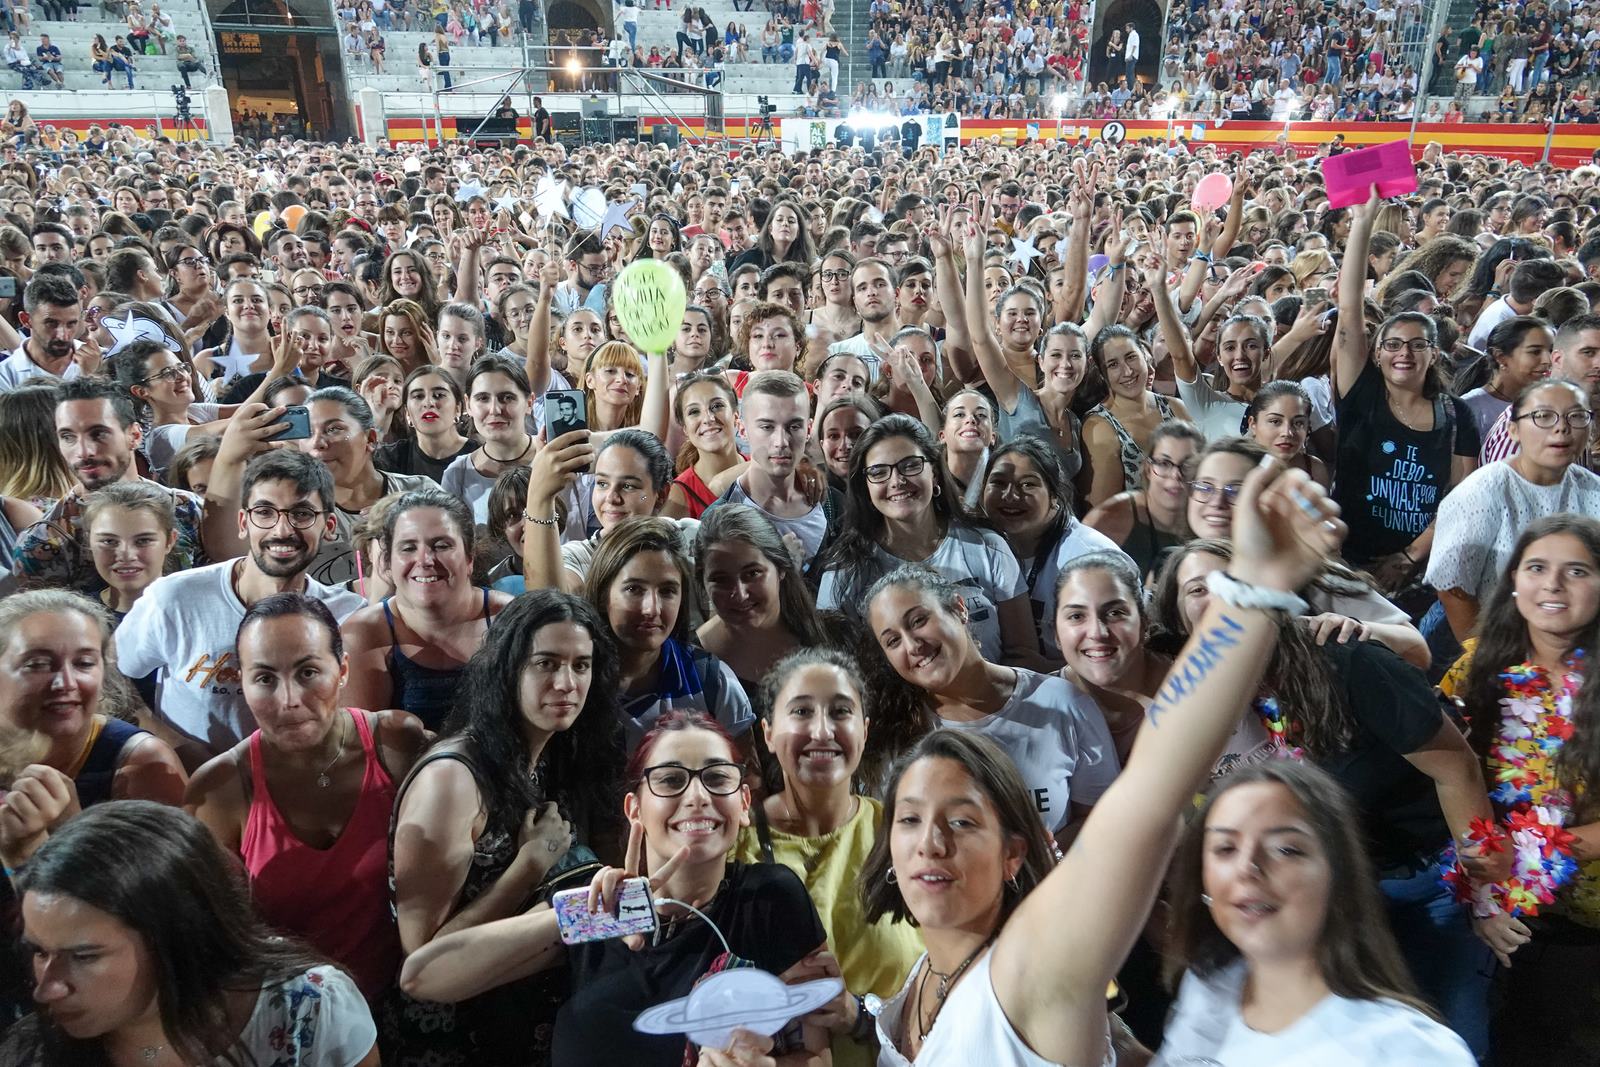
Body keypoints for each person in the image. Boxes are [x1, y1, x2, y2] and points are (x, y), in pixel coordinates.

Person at [1152, 538, 1504, 1056]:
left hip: (1432, 882)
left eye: (1232, 580)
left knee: (1451, 1036)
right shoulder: (1213, 703)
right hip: (1333, 896)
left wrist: (1487, 893)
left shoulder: (1348, 662)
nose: (1219, 597)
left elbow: (1459, 772)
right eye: (1198, 589)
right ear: (1181, 619)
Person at [386, 588, 627, 1067]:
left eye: (581, 665)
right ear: (508, 668)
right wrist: (529, 865)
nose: (567, 682)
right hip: (452, 1039)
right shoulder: (453, 780)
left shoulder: (548, 755)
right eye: (546, 663)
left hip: (518, 1018)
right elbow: (423, 958)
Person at [0, 802, 380, 1066]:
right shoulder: (33, 1050)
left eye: (83, 956)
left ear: (176, 935)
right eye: (39, 952)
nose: (46, 989)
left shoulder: (308, 1010)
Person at [186, 593, 427, 1002]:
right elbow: (212, 940)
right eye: (264, 678)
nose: (289, 700)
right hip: (291, 1016)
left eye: (308, 672)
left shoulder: (396, 744)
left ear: (343, 670)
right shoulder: (220, 790)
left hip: (407, 1000)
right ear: (240, 682)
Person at [1444, 514, 1600, 1062]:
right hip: (1504, 920)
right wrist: (1485, 884)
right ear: (1514, 581)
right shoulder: (1475, 672)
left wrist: (1531, 856)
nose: (1553, 584)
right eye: (1537, 567)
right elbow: (1445, 775)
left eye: (1576, 570)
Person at [733, 648, 925, 1067]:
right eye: (801, 712)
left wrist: (858, 1015)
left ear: (865, 729)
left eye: (840, 712)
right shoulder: (732, 846)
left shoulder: (906, 834)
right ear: (767, 733)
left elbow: (948, 993)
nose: (822, 731)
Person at [116, 449, 366, 767]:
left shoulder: (349, 615)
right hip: (191, 789)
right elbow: (114, 679)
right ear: (243, 522)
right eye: (265, 512)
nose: (282, 530)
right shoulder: (176, 597)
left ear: (329, 524)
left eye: (301, 514)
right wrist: (176, 749)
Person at [862, 563, 1118, 841]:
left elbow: (1103, 820)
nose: (912, 645)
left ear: (959, 608)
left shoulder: (1064, 703)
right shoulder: (889, 739)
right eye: (893, 641)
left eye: (918, 621)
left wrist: (1039, 861)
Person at [1333, 192, 1478, 583]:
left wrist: (1409, 556)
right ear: (1376, 353)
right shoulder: (1360, 393)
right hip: (1348, 559)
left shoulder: (1455, 414)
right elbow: (1349, 311)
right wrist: (1364, 221)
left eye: (1418, 345)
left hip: (1420, 568)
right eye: (1393, 344)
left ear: (1434, 354)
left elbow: (1459, 497)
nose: (1405, 354)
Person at [817, 414, 1040, 668]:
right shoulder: (845, 571)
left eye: (910, 465)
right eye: (878, 472)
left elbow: (1024, 657)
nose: (897, 481)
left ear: (933, 473)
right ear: (865, 488)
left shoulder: (988, 547)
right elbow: (835, 671)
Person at [1428, 380, 1600, 642]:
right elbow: (1453, 590)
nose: (1562, 428)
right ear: (1513, 430)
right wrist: (1486, 659)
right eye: (1543, 416)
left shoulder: (1593, 490)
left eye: (1577, 416)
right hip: (1491, 643)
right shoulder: (1483, 492)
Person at [12, 377, 209, 595]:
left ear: (134, 436)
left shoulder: (189, 510)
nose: (84, 451)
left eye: (99, 434)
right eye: (68, 437)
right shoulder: (44, 543)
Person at [341, 489, 512, 732]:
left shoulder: (510, 619)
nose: (425, 560)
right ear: (388, 561)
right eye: (408, 547)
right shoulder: (363, 634)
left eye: (441, 545)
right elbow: (363, 752)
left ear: (469, 557)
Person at [0, 588, 186, 811]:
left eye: (84, 663)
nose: (66, 682)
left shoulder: (144, 764)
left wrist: (69, 828)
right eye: (38, 664)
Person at [583, 516, 753, 751]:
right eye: (634, 589)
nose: (651, 608)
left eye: (667, 591)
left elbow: (748, 782)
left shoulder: (713, 681)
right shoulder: (574, 681)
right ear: (603, 594)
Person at [981, 437, 1129, 661]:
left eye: (1028, 484)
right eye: (999, 482)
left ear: (1054, 496)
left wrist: (1047, 673)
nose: (1010, 495)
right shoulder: (986, 551)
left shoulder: (1091, 557)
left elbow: (1126, 652)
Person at [694, 503, 831, 698]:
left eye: (752, 573)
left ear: (781, 568)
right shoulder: (690, 666)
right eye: (721, 580)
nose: (740, 594)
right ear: (703, 582)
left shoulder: (833, 636)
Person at [708, 370, 834, 566]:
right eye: (767, 427)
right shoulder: (716, 521)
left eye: (794, 427)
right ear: (742, 429)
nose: (781, 442)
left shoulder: (833, 505)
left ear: (808, 430)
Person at [1079, 325, 1191, 508]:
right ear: (1101, 372)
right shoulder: (1099, 425)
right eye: (1113, 364)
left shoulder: (1175, 408)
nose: (1128, 371)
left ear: (1145, 356)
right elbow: (1104, 513)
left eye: (1131, 357)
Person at [1084, 419, 1203, 581]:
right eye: (1164, 463)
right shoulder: (1107, 521)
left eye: (1187, 464)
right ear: (1148, 469)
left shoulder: (1211, 517)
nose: (1176, 475)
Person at [374, 365, 475, 483]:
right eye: (418, 396)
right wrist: (375, 419)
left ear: (458, 408)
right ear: (407, 413)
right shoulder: (391, 458)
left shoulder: (480, 458)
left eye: (439, 395)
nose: (428, 403)